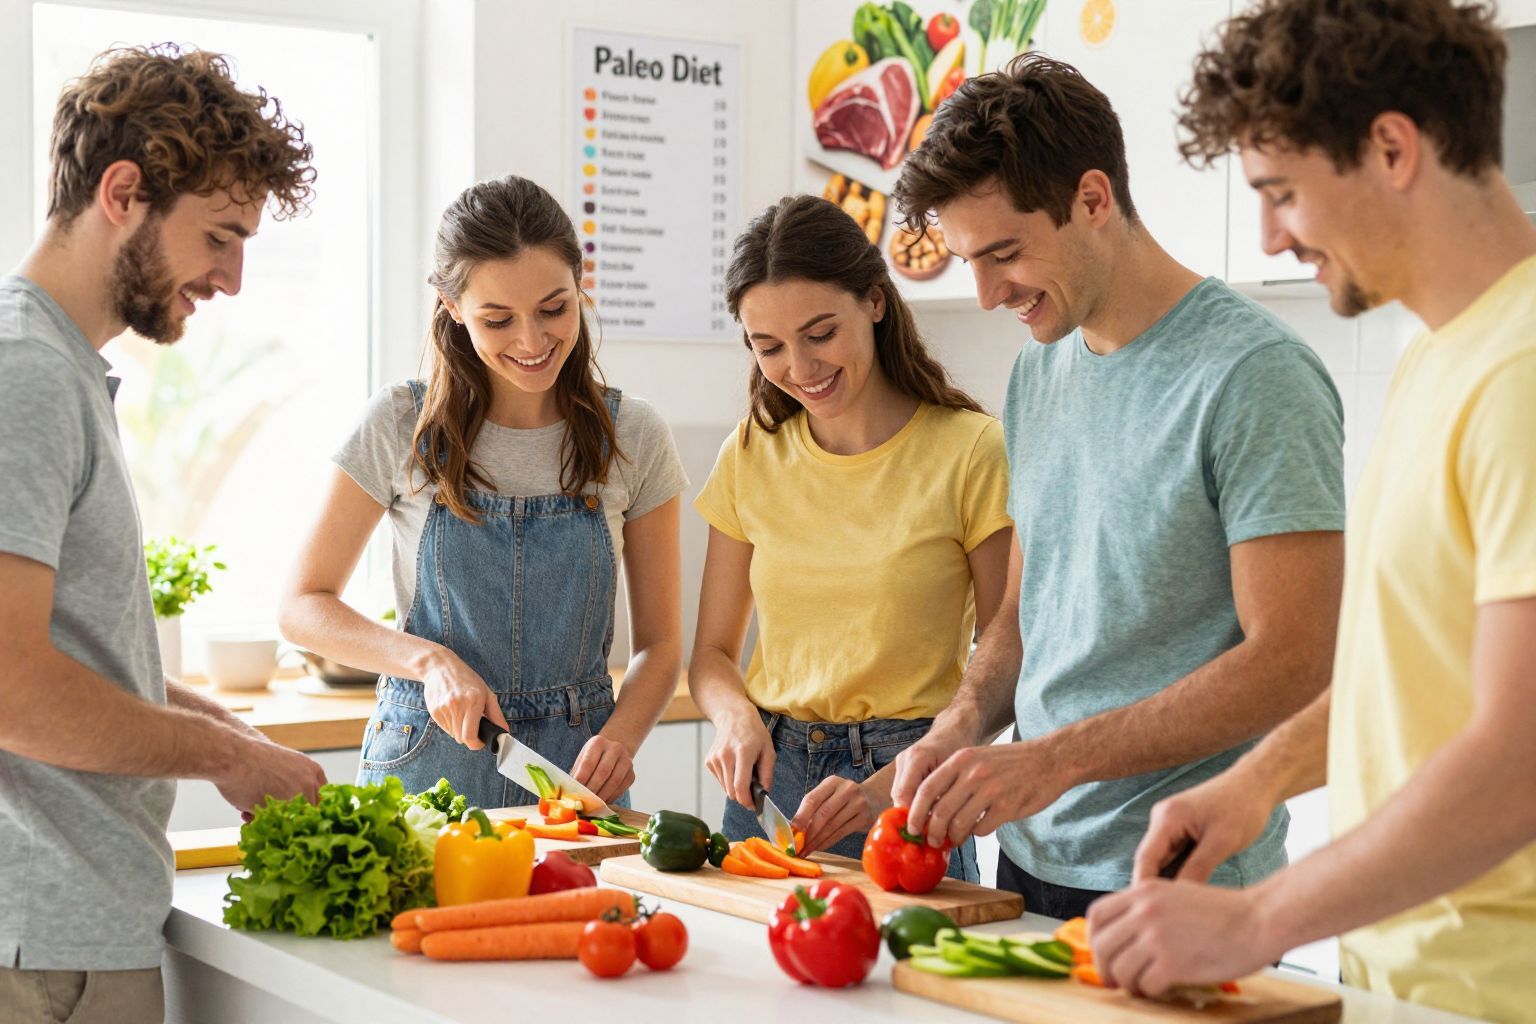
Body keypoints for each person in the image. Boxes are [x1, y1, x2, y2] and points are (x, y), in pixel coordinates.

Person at [1089, 3, 1536, 1018]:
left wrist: (1255, 922)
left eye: (1282, 193)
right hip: (1409, 980)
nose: (1271, 236)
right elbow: (1415, 672)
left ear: (1390, 148)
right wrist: (1257, 782)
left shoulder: (1523, 373)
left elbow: (1519, 759)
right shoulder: (1438, 351)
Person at [885, 53, 1348, 918]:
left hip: (1181, 872)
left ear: (1094, 200)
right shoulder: (1039, 370)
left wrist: (1054, 758)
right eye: (968, 263)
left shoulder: (1255, 375)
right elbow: (1026, 618)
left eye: (1005, 254)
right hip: (1024, 859)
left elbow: (1298, 658)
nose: (987, 295)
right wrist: (958, 729)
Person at [0, 45, 326, 1023]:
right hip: (46, 953)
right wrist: (226, 759)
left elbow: (71, 649)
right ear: (124, 191)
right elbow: (12, 689)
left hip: (66, 934)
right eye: (220, 236)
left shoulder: (57, 369)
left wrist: (223, 728)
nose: (230, 278)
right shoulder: (28, 376)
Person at [280, 176, 686, 811]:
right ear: (450, 305)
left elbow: (660, 646)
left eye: (555, 308)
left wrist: (623, 739)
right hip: (426, 759)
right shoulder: (399, 423)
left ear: (582, 285)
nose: (531, 341)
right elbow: (302, 605)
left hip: (575, 771)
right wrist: (428, 663)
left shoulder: (633, 434)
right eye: (497, 319)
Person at [689, 194, 1013, 878]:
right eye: (768, 346)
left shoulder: (971, 450)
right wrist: (734, 719)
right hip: (767, 781)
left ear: (874, 301)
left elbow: (1006, 665)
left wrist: (881, 789)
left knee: (906, 984)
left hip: (910, 787)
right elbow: (713, 656)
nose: (799, 368)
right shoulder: (751, 453)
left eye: (819, 333)